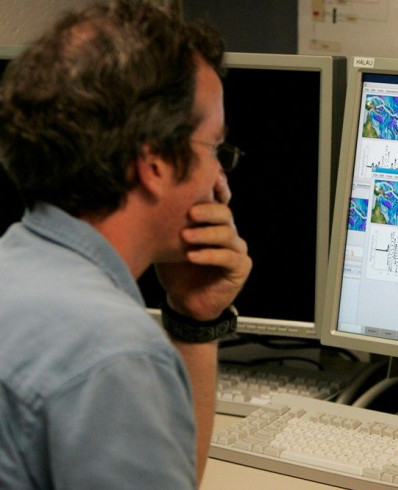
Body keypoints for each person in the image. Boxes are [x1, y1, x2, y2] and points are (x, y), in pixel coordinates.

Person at [0, 1, 252, 488]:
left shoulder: (13, 270)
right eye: (214, 148)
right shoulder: (114, 354)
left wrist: (193, 320)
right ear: (154, 164)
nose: (220, 178)